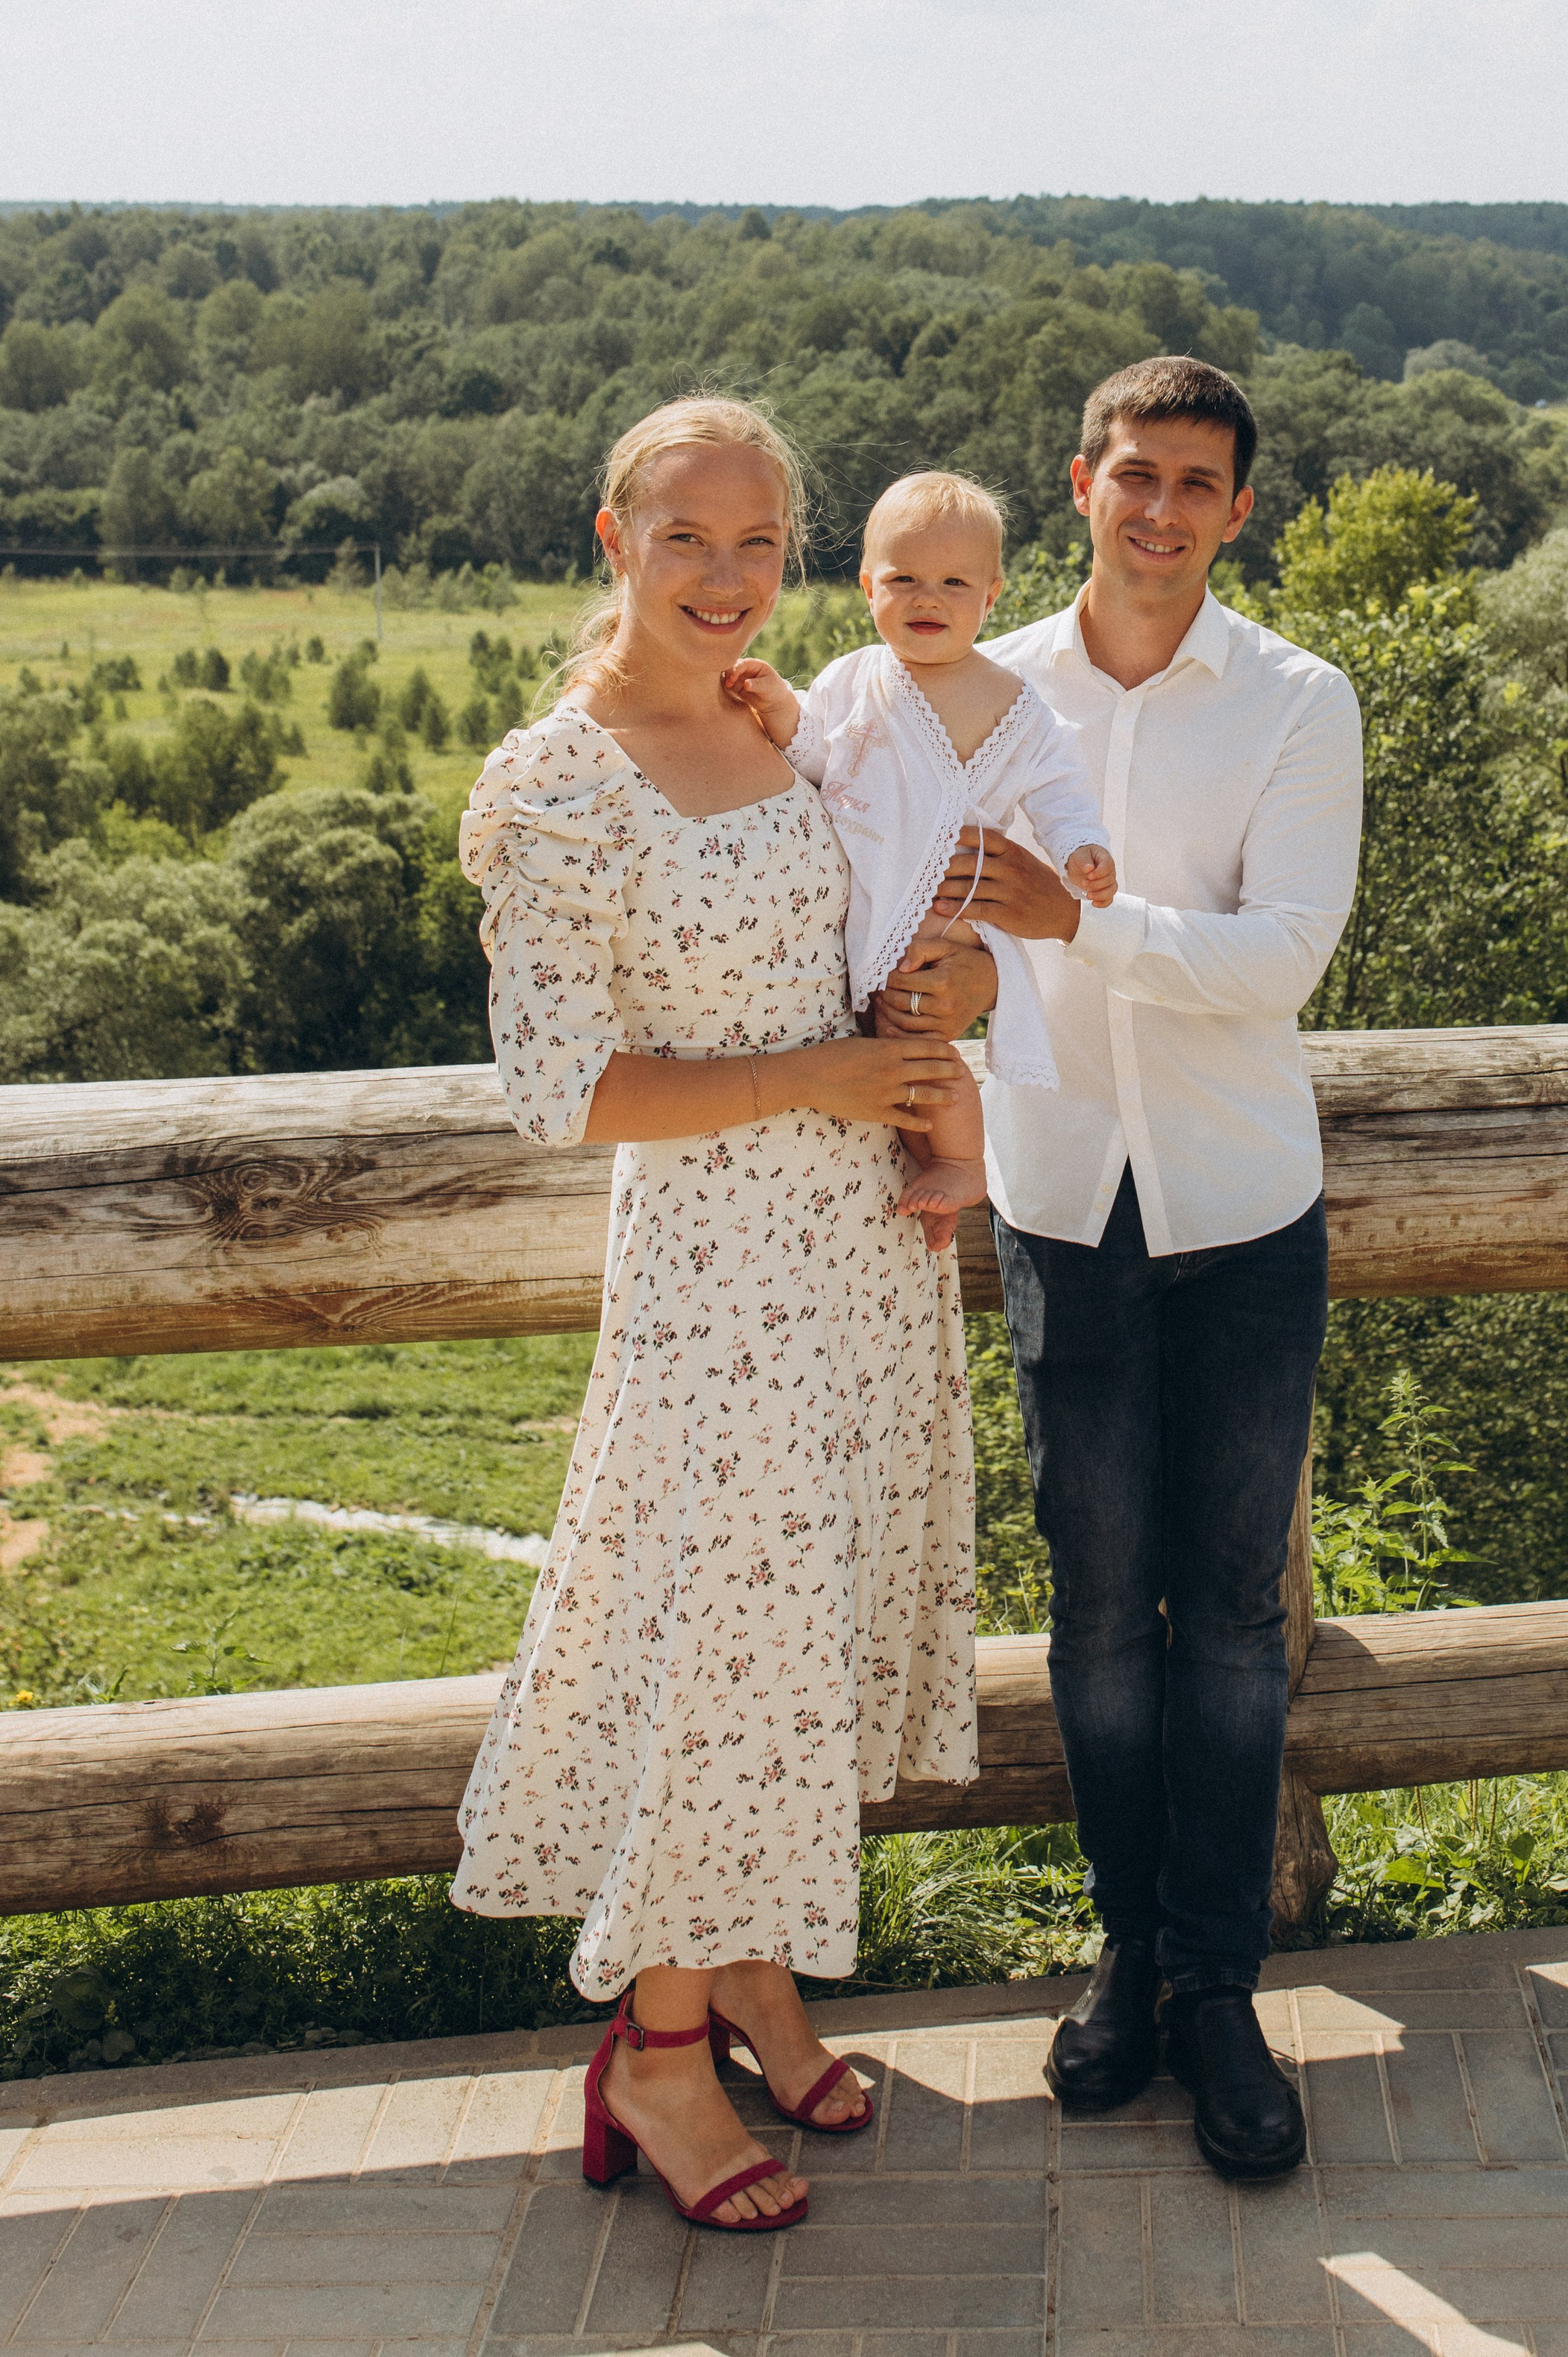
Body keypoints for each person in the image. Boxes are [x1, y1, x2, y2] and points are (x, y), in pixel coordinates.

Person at [453, 397, 977, 2235]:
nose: (730, 579)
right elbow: (559, 1087)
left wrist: (927, 1084)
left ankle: (749, 1970)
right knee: (715, 1651)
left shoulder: (784, 728)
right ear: (614, 538)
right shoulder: (560, 779)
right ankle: (655, 2051)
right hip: (716, 1290)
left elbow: (911, 908)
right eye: (690, 538)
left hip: (853, 1254)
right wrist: (822, 1076)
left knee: (800, 1635)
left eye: (761, 544)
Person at [875, 356, 1362, 2182]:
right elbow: (842, 793)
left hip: (1241, 1212)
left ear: (1237, 511)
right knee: (1095, 1617)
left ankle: (1217, 1987)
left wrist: (1072, 918)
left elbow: (1278, 961)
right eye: (1129, 472)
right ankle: (1128, 1960)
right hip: (1059, 1204)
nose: (1157, 506)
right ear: (1076, 482)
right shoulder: (973, 685)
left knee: (1229, 1624)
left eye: (1195, 482)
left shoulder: (1300, 703)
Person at [724, 468, 1117, 1250]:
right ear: (868, 585)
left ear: (991, 597)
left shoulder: (1015, 702)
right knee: (876, 1047)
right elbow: (815, 756)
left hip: (948, 913)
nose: (926, 598)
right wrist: (779, 709)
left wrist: (1081, 849)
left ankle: (965, 1162)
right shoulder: (855, 679)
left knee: (914, 1039)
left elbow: (1060, 788)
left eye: (952, 582)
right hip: (870, 900)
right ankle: (921, 1160)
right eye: (903, 579)